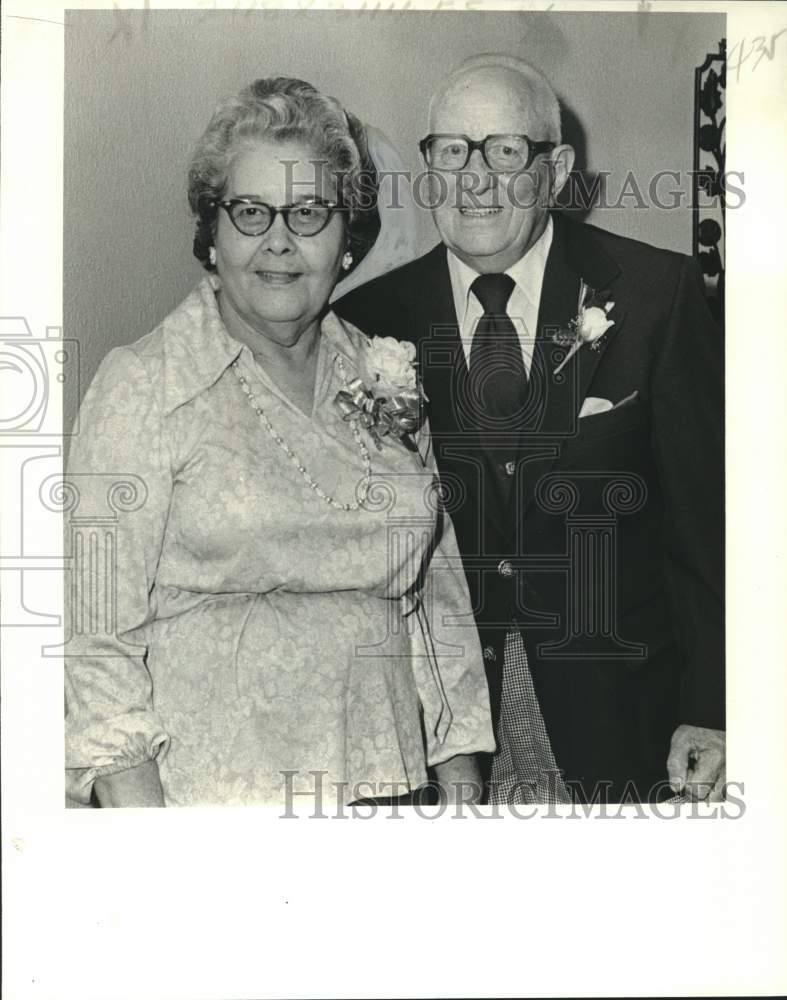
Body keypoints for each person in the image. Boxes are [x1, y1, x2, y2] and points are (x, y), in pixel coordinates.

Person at [64, 77, 495, 808]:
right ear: (212, 231)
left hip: (389, 791)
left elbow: (436, 600)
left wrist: (458, 775)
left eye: (309, 213)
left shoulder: (384, 372)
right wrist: (143, 850)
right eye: (251, 212)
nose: (280, 243)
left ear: (346, 238)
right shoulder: (143, 385)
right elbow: (94, 646)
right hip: (215, 808)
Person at [334, 55, 725, 804]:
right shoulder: (367, 323)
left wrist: (711, 709)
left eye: (504, 151)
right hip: (437, 735)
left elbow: (707, 532)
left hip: (622, 724)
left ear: (556, 169)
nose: (473, 179)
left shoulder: (655, 297)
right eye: (450, 150)